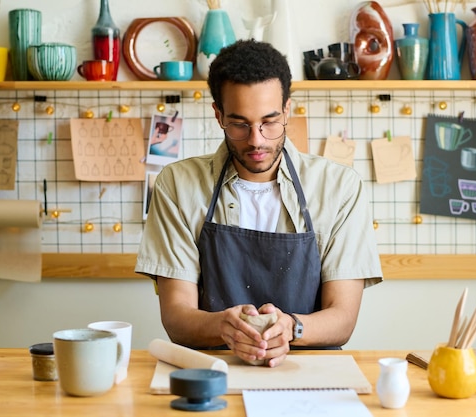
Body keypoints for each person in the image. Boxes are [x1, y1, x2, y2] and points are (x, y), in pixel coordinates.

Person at [135, 39, 382, 368]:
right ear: (218, 115)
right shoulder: (178, 185)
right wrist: (225, 328)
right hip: (214, 372)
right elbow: (177, 318)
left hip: (308, 372)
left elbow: (343, 319)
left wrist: (290, 328)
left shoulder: (339, 187)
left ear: (287, 110)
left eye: (269, 121)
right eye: (239, 123)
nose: (256, 139)